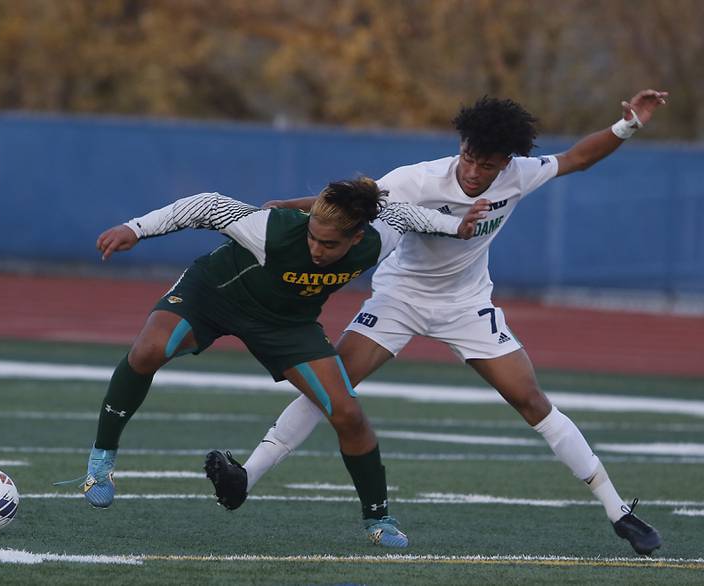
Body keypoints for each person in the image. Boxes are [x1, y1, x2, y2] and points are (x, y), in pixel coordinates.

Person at [204, 89, 669, 556]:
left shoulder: (518, 176)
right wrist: (281, 207)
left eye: (486, 165)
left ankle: (618, 512)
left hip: (466, 305)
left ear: (506, 163)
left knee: (530, 399)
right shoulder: (416, 180)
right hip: (400, 297)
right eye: (468, 157)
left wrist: (627, 126)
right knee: (334, 387)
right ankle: (248, 475)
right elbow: (346, 203)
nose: (472, 171)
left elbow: (576, 158)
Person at [74, 176, 489, 548]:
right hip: (215, 296)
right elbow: (204, 205)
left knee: (347, 413)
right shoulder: (269, 230)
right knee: (148, 350)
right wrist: (135, 229)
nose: (316, 249)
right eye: (312, 237)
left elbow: (401, 213)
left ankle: (378, 518)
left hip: (287, 323)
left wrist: (457, 226)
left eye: (329, 244)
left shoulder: (380, 238)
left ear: (357, 237)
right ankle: (101, 460)